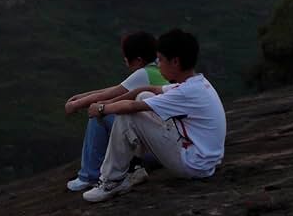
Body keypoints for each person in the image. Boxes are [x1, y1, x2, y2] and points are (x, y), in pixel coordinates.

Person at [82, 28, 226, 202]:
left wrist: (101, 109)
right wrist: (111, 102)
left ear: (175, 62)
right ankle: (134, 168)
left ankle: (112, 180)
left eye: (161, 59)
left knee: (128, 114)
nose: (158, 64)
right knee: (145, 96)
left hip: (192, 164)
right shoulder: (197, 84)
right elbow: (149, 90)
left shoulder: (185, 93)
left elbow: (132, 107)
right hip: (205, 161)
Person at [63, 31, 169, 192]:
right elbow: (117, 89)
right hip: (165, 146)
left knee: (100, 115)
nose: (124, 60)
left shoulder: (143, 74)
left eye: (126, 57)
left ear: (138, 60)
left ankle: (89, 176)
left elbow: (109, 94)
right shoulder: (157, 70)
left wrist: (75, 105)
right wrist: (82, 97)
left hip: (154, 152)